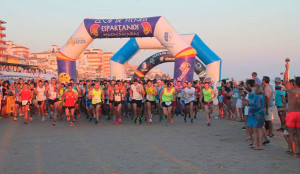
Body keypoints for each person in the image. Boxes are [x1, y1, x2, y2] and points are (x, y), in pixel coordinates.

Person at [284, 60, 300, 156]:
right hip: (299, 113)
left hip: (291, 114)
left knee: (291, 133)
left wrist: (287, 68)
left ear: (295, 83)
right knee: (299, 133)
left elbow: (286, 80)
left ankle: (294, 153)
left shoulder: (291, 89)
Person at [247, 84, 265, 150]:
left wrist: (250, 106)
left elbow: (256, 106)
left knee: (256, 130)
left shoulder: (257, 97)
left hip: (255, 114)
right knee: (259, 130)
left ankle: (258, 145)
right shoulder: (262, 96)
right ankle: (257, 144)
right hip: (261, 114)